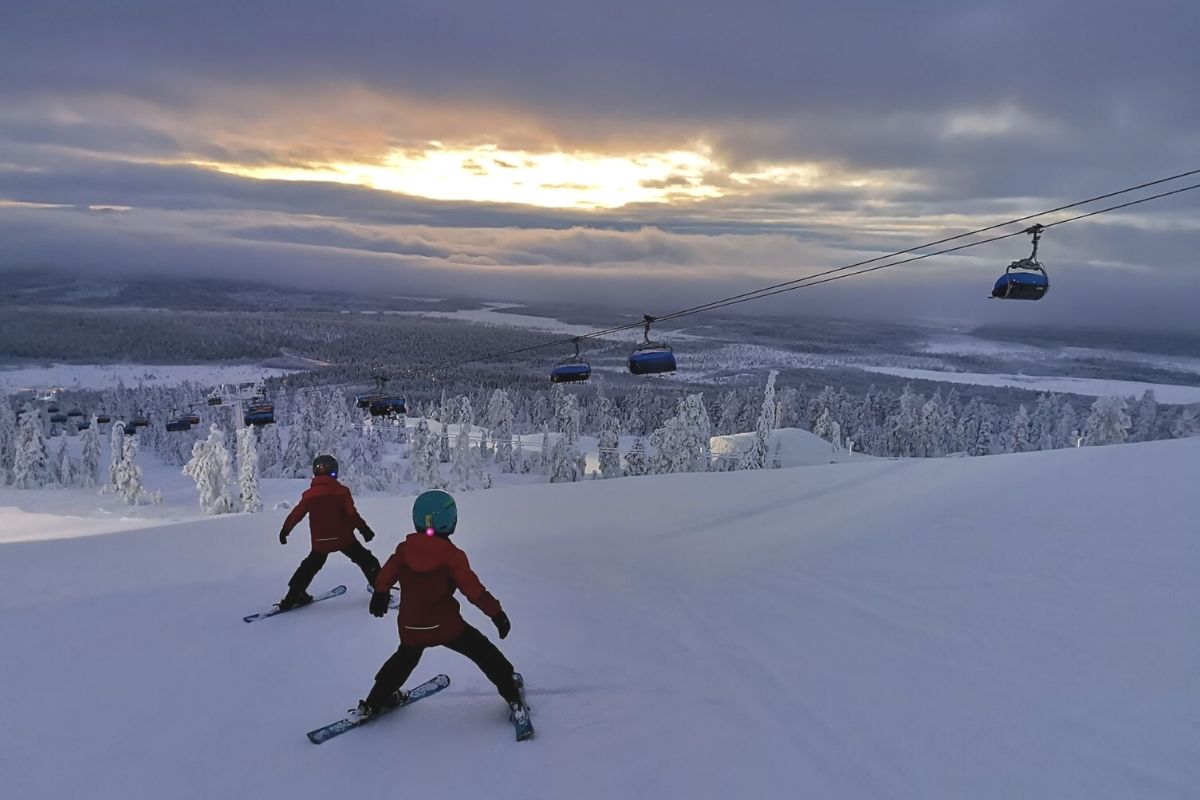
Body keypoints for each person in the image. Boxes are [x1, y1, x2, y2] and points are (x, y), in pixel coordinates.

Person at [360, 490, 526, 727]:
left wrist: (380, 594)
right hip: (447, 627)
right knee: (484, 653)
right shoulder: (452, 556)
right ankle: (512, 695)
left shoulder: (403, 551)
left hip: (410, 627)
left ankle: (374, 701)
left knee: (403, 661)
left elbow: (384, 577)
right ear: (450, 521)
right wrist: (496, 614)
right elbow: (474, 591)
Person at [277, 454, 380, 610]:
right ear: (334, 471)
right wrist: (364, 529)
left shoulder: (309, 495)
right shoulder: (341, 491)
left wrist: (285, 531)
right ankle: (380, 589)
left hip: (320, 543)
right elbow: (352, 515)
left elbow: (296, 514)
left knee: (309, 567)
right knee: (367, 561)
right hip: (344, 539)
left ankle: (292, 597)